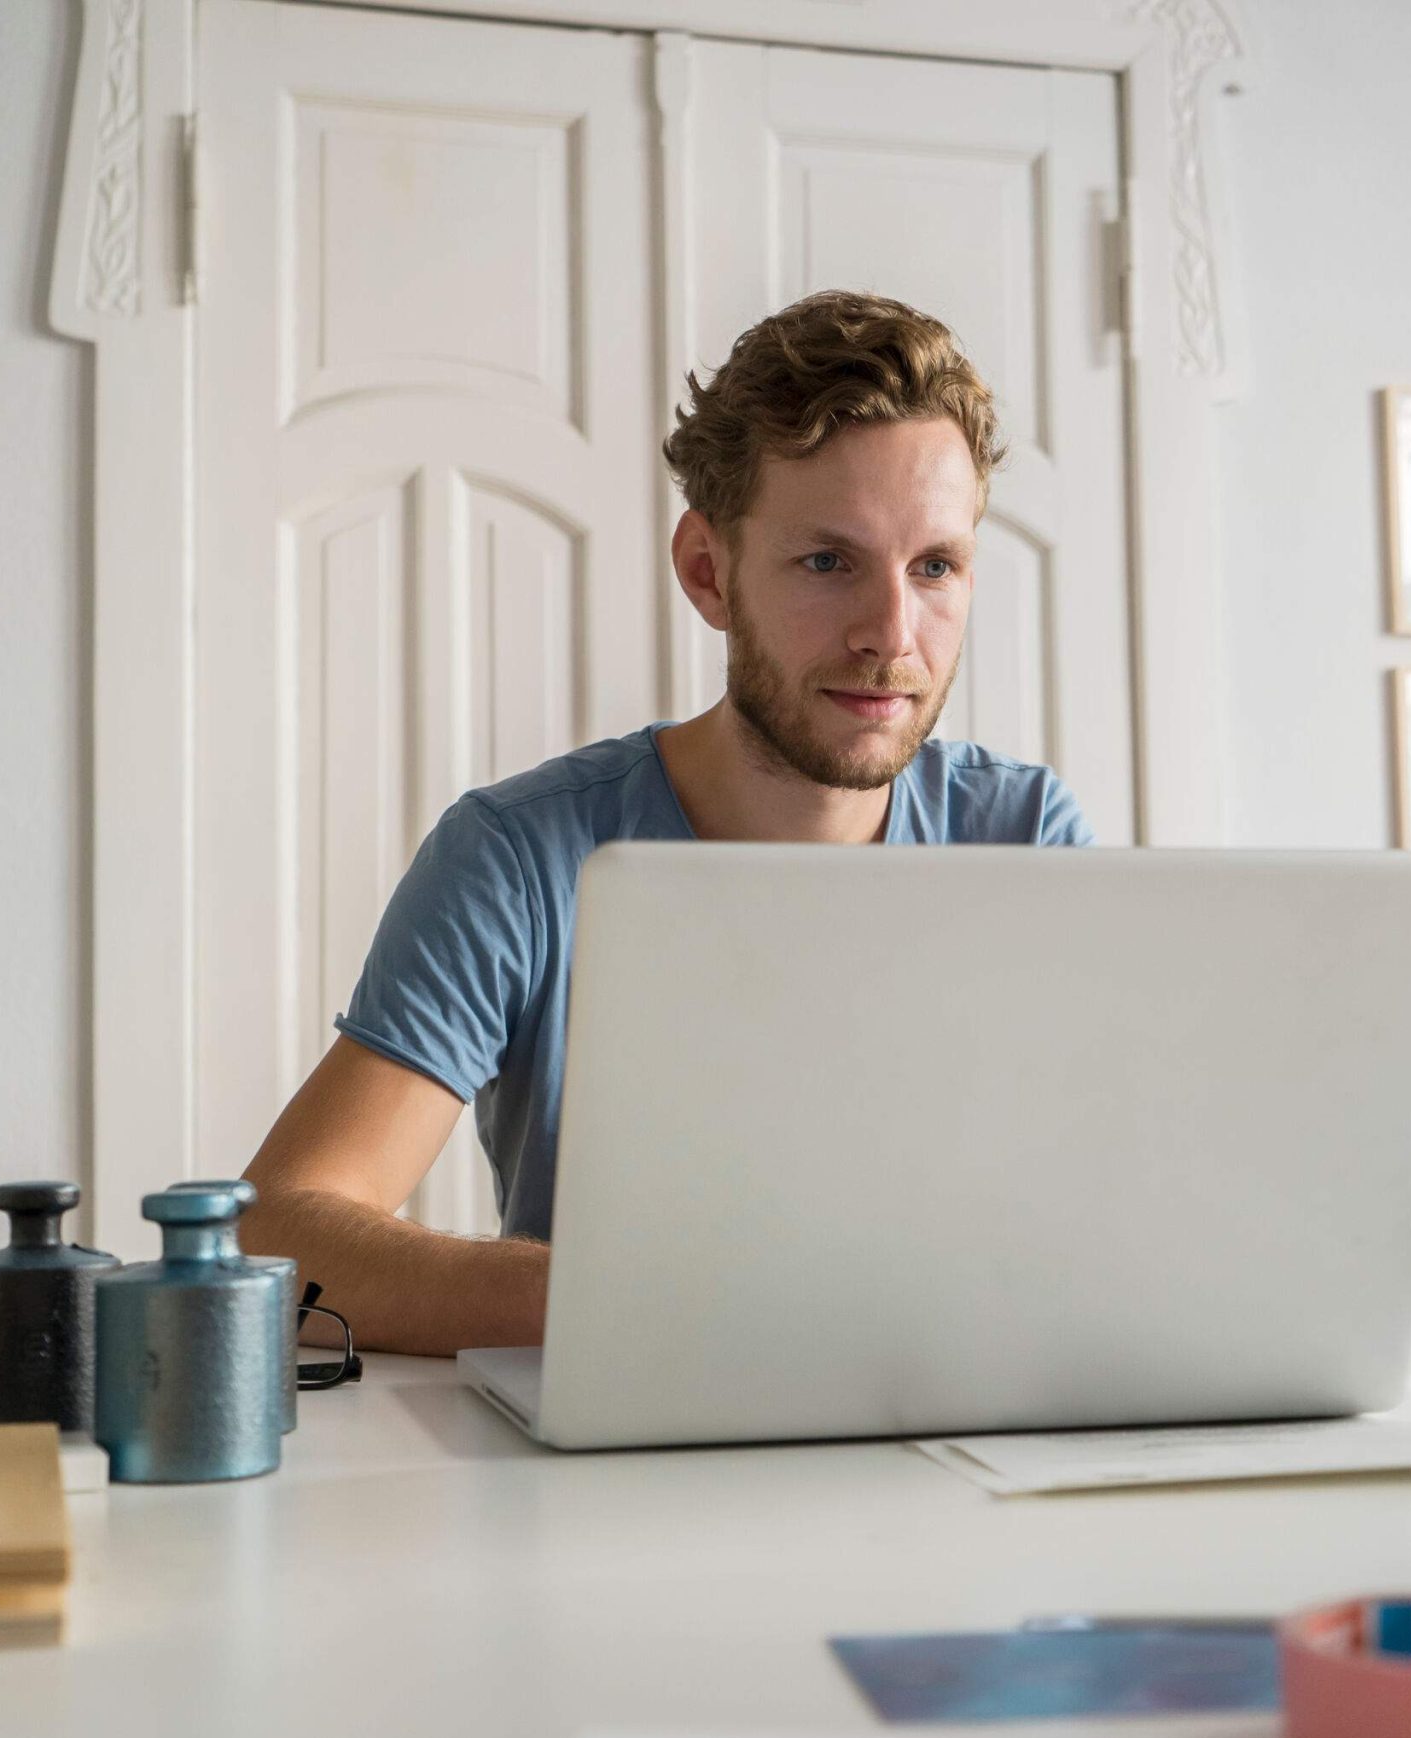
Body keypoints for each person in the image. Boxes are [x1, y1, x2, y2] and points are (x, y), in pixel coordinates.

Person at [240, 291, 1094, 1354]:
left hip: (959, 1442)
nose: (891, 634)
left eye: (935, 567)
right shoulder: (520, 859)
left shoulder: (1023, 838)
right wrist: (649, 1300)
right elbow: (279, 1232)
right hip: (617, 1474)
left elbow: (1102, 1211)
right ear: (708, 571)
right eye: (827, 562)